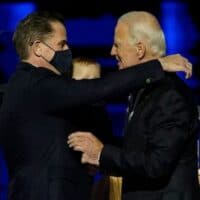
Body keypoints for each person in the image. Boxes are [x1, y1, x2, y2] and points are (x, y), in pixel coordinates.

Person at [0, 10, 192, 200]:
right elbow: (99, 88)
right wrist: (158, 65)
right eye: (62, 44)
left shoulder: (167, 94)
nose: (68, 50)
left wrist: (101, 155)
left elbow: (147, 156)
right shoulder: (35, 84)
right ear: (38, 48)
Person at [68, 11, 200, 200]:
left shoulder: (170, 95)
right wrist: (99, 154)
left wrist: (102, 153)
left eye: (117, 45)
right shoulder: (145, 90)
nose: (112, 52)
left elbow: (156, 163)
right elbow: (138, 150)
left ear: (139, 49)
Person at [71, 57, 113, 200]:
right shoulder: (66, 112)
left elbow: (106, 140)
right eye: (84, 81)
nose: (91, 87)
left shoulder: (100, 112)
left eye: (95, 80)